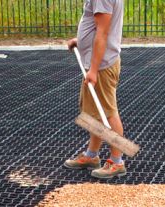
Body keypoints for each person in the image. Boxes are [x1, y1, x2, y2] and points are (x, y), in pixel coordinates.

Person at [64, 0, 126, 180]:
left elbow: (103, 31)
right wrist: (82, 40)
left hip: (101, 66)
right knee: (93, 113)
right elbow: (99, 25)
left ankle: (117, 161)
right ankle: (91, 156)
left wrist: (93, 69)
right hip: (98, 62)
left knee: (107, 112)